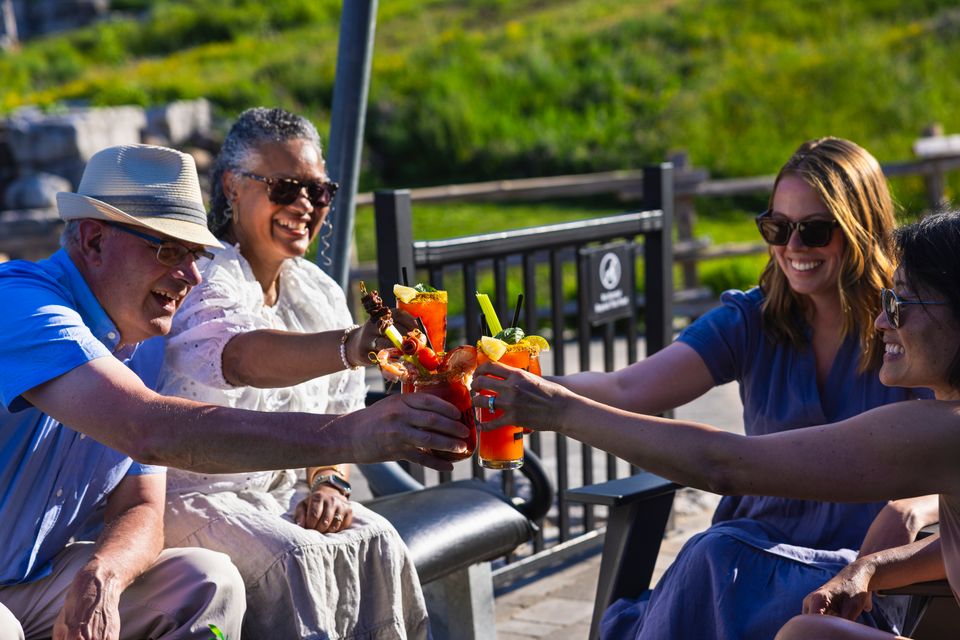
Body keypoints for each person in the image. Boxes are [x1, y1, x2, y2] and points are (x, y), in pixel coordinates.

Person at [0, 143, 467, 638]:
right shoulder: (21, 303)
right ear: (93, 240)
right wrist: (354, 434)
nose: (192, 274)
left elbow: (141, 507)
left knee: (208, 581)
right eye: (168, 250)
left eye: (196, 253)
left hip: (29, 580)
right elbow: (151, 427)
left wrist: (106, 573)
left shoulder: (142, 340)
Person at [495, 137, 938, 639]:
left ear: (860, 231)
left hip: (858, 571)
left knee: (711, 560)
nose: (791, 248)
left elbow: (948, 442)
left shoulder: (907, 330)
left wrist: (916, 506)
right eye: (776, 227)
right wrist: (520, 386)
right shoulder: (752, 320)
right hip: (749, 552)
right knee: (713, 558)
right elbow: (626, 386)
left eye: (814, 231)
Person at [153, 107, 428, 639]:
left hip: (279, 492)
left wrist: (328, 482)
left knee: (380, 541)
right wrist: (353, 346)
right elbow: (241, 357)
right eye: (285, 187)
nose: (304, 205)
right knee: (295, 556)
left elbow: (338, 415)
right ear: (232, 186)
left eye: (318, 191)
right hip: (190, 495)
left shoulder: (318, 290)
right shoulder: (202, 276)